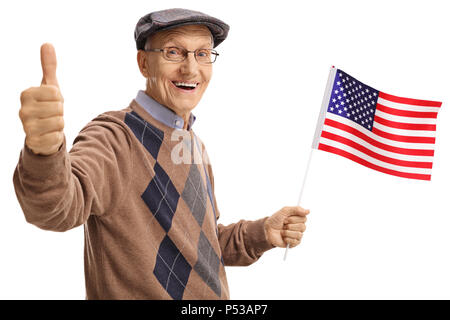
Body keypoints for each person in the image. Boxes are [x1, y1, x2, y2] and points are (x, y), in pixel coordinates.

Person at [13, 8, 309, 299]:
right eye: (173, 52)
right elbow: (56, 208)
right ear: (144, 63)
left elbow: (204, 245)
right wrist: (45, 152)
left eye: (202, 53)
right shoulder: (115, 136)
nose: (191, 69)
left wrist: (263, 233)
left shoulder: (192, 143)